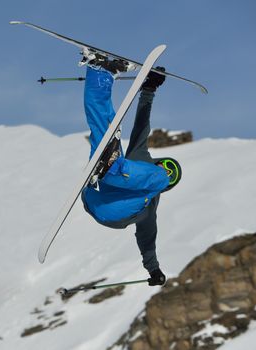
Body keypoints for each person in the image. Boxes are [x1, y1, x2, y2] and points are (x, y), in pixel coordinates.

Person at [81, 59, 182, 286]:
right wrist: (149, 89)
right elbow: (142, 123)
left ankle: (110, 166)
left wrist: (153, 269)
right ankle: (99, 73)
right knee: (106, 129)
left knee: (130, 169)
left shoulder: (151, 198)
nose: (164, 169)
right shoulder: (142, 156)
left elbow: (147, 241)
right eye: (167, 165)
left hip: (114, 212)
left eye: (169, 175)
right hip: (96, 193)